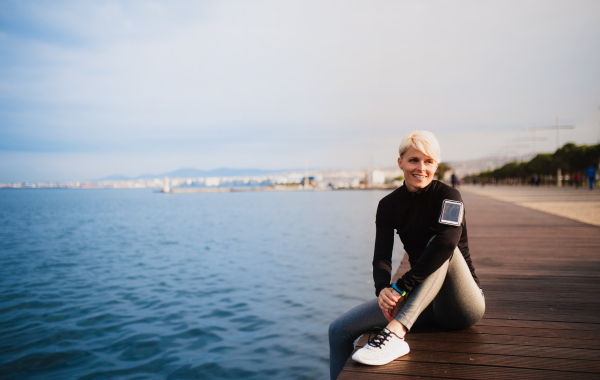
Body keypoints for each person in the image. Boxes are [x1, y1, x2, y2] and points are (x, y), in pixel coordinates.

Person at [328, 131, 485, 380]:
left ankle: (396, 333)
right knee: (338, 330)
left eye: (429, 162)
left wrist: (401, 286)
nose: (421, 168)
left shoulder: (450, 198)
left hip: (462, 305)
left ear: (436, 165)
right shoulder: (388, 205)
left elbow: (446, 244)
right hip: (423, 302)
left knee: (443, 246)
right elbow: (381, 256)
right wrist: (383, 289)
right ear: (400, 162)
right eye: (414, 160)